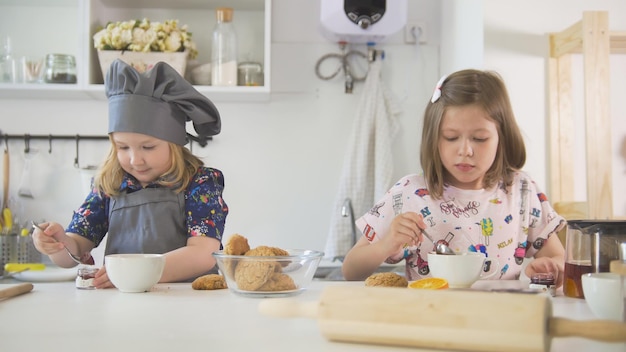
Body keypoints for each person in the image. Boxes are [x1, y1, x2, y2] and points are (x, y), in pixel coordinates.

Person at [341, 69, 566, 287]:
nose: (465, 150)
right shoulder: (409, 192)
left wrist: (551, 266)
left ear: (502, 138)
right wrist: (386, 244)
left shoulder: (521, 191)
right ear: (433, 138)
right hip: (430, 318)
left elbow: (558, 257)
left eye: (479, 138)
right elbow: (350, 270)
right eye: (451, 137)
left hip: (498, 319)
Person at [33, 59, 228, 288]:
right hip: (122, 305)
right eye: (123, 147)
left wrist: (137, 273)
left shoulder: (200, 182)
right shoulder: (109, 185)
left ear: (174, 143)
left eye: (148, 147)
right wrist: (58, 244)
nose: (135, 160)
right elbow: (75, 250)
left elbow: (202, 253)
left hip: (187, 301)